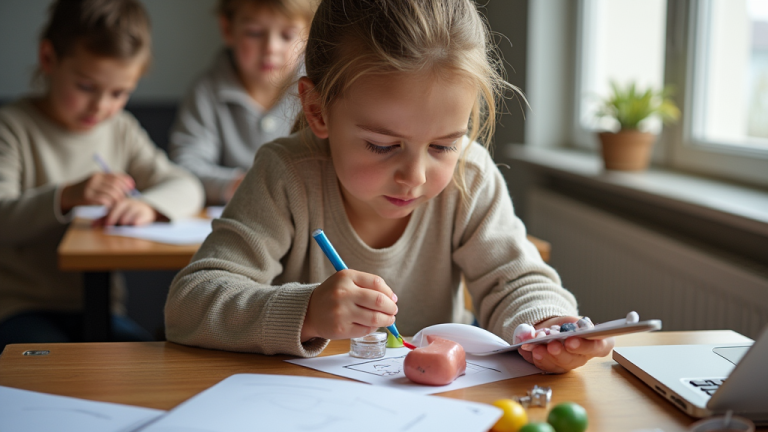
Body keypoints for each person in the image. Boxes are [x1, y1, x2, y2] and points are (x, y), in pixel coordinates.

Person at [165, 0, 613, 373]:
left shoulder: (469, 177)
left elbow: (516, 282)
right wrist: (308, 312)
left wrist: (548, 329)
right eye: (382, 145)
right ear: (318, 111)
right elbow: (190, 305)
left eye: (443, 145)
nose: (414, 176)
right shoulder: (285, 175)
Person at [0, 0, 205, 349]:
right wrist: (65, 196)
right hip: (21, 309)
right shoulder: (13, 128)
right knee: (53, 373)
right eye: (85, 87)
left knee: (150, 367)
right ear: (48, 59)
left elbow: (186, 186)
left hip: (101, 310)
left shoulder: (119, 128)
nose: (101, 107)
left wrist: (149, 207)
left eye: (119, 93)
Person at [168, 0, 316, 205]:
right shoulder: (206, 92)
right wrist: (235, 184)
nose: (270, 48)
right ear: (227, 30)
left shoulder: (317, 92)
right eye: (254, 33)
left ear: (309, 34)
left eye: (287, 35)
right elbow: (185, 166)